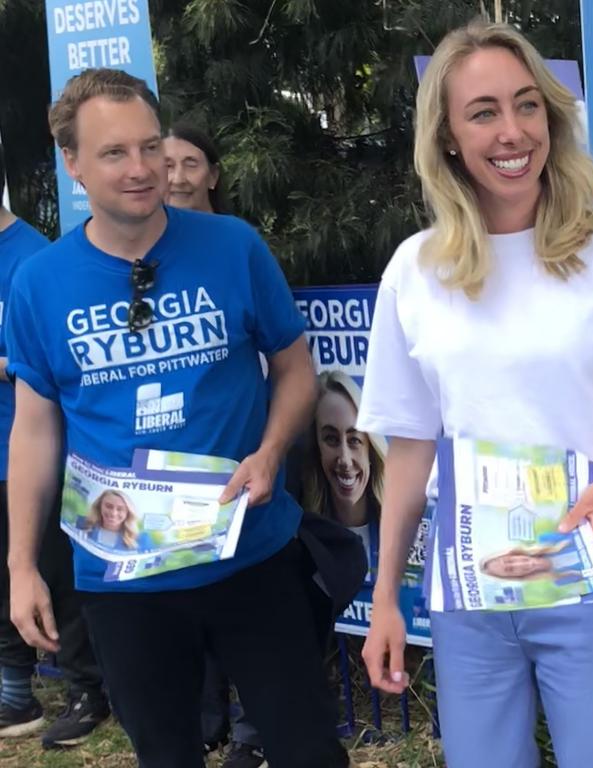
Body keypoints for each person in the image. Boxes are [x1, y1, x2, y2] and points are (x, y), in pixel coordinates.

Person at [357, 20, 593, 768]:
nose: (512, 130)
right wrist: (388, 596)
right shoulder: (416, 271)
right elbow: (410, 446)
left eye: (527, 105)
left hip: (588, 567)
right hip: (470, 589)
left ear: (552, 117)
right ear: (448, 137)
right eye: (483, 112)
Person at [5, 68, 352, 768]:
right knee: (165, 755)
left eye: (150, 146)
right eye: (113, 153)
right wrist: (20, 565)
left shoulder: (233, 246)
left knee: (307, 751)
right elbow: (36, 427)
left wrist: (270, 449)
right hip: (122, 578)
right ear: (71, 163)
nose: (142, 169)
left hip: (251, 556)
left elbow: (293, 367)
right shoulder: (39, 282)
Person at [163, 122, 266, 768]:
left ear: (213, 174)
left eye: (189, 163)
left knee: (251, 595)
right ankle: (207, 719)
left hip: (247, 452)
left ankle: (255, 729)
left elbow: (281, 355)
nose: (175, 175)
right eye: (165, 161)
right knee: (189, 591)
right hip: (177, 464)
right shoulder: (136, 259)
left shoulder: (240, 247)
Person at [0, 146, 109, 747]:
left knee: (58, 577)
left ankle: (83, 689)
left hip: (32, 448)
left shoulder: (34, 259)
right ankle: (16, 690)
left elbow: (45, 365)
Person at [303, 370, 386, 570]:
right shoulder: (302, 539)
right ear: (317, 448)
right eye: (331, 439)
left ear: (370, 449)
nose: (345, 460)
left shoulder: (405, 532)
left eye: (354, 440)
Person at [164, 122, 227, 214]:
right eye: (168, 166)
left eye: (191, 165)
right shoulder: (142, 227)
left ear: (213, 175)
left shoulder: (235, 228)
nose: (178, 180)